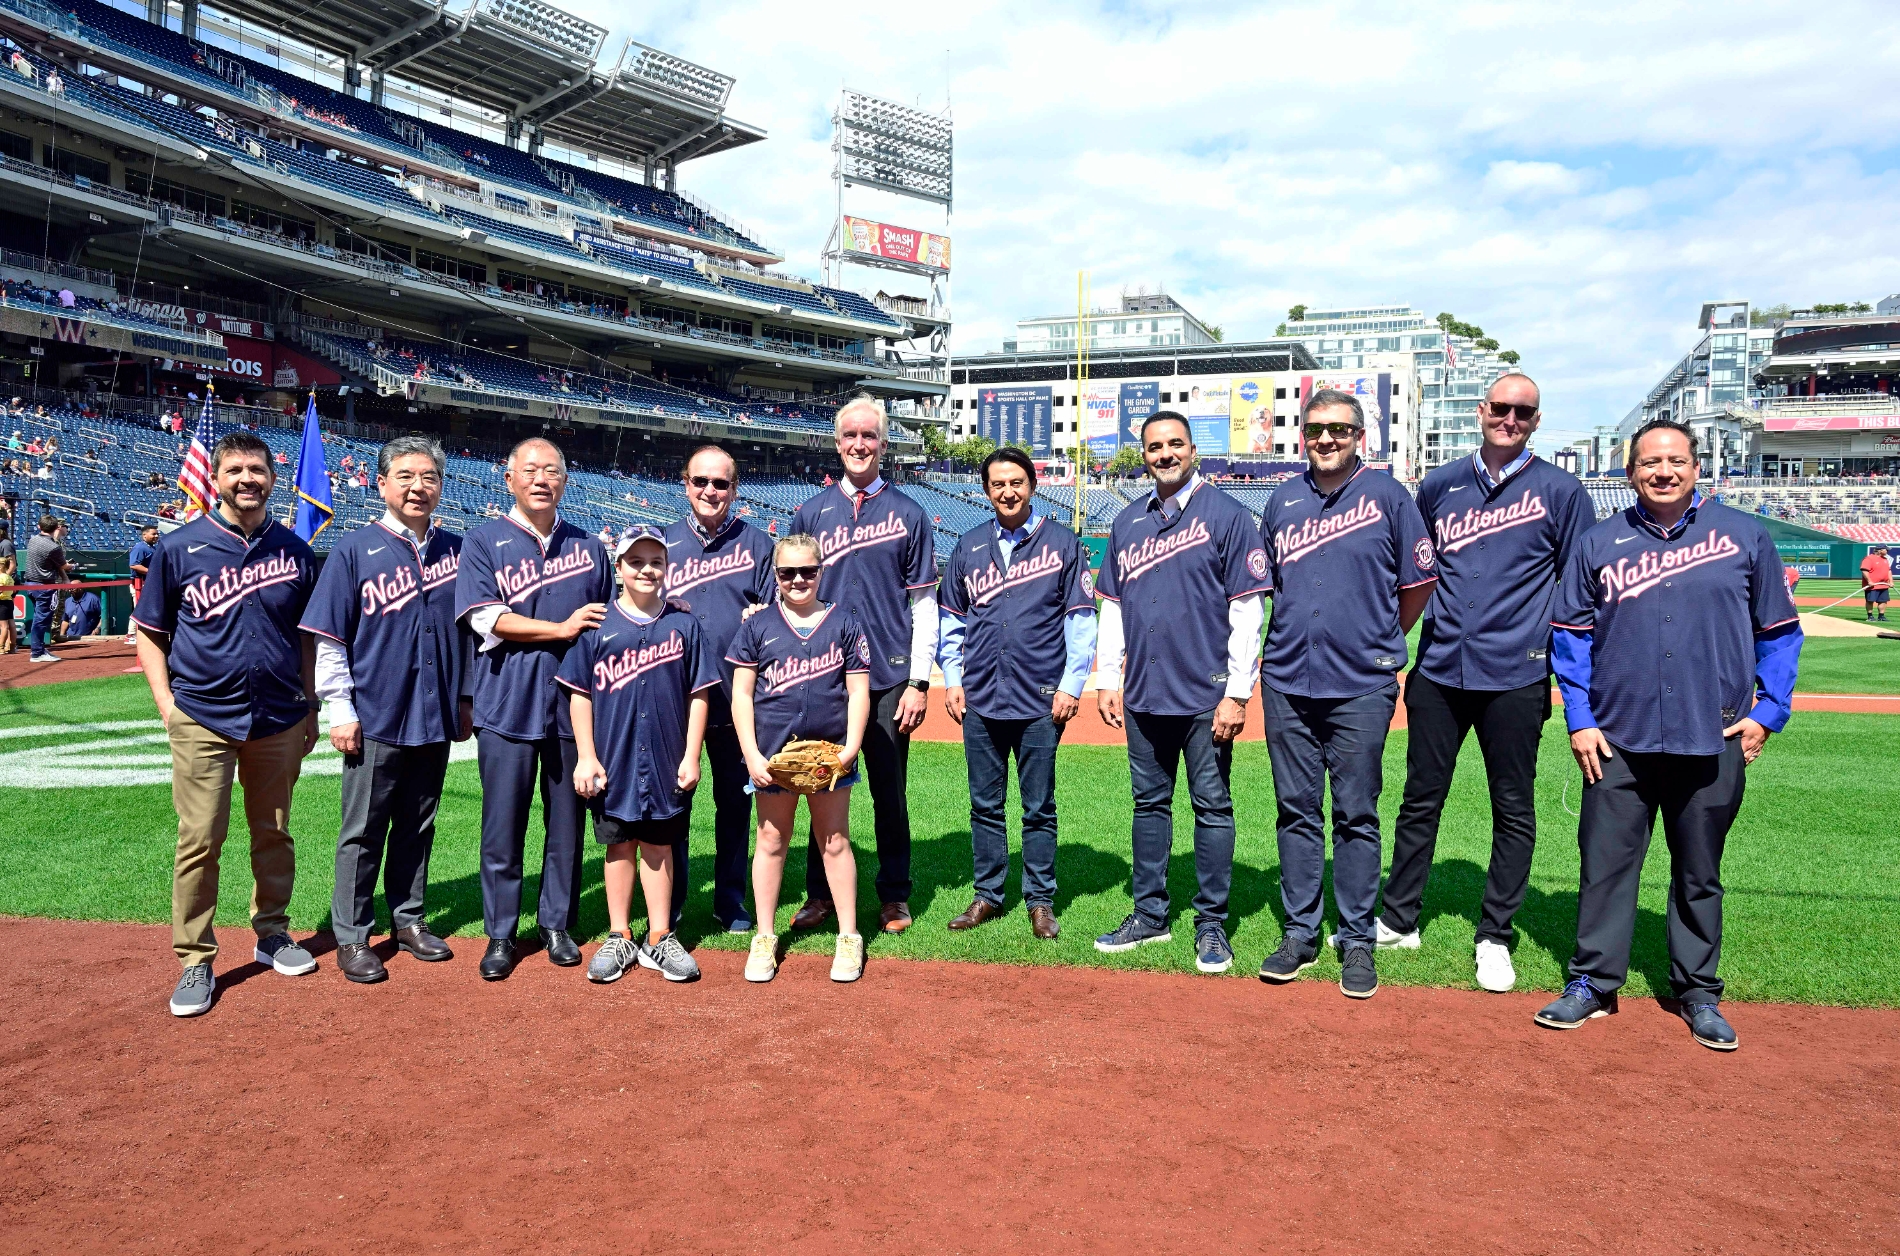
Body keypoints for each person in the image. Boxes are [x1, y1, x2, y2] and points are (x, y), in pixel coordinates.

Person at [1539, 419, 1802, 1051]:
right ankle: (1594, 984)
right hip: (1618, 740)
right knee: (1605, 869)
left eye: (1675, 460)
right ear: (1630, 472)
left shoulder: (1744, 536)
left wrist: (1768, 713)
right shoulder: (1599, 542)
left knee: (1699, 871)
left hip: (1711, 736)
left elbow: (1779, 633)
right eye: (1650, 462)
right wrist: (1580, 718)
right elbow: (1570, 638)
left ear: (1695, 466)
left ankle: (1698, 992)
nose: (1663, 471)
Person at [1376, 373, 1594, 992]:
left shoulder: (1562, 489)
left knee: (1513, 807)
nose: (1510, 419)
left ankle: (1495, 934)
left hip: (1517, 672)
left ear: (1536, 419)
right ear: (1481, 411)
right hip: (1441, 666)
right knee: (1420, 798)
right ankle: (1399, 918)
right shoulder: (1440, 484)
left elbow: (1577, 584)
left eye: (1523, 411)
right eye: (1500, 408)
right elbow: (1413, 569)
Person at [1251, 389, 1436, 998]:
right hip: (1287, 678)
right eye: (1315, 430)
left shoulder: (1389, 497)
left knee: (1356, 812)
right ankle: (1301, 932)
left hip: (1362, 681)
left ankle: (1356, 937)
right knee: (1296, 810)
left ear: (1361, 436)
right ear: (1302, 435)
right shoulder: (1281, 499)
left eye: (1339, 429)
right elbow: (1265, 588)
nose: (1326, 439)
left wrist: (1378, 637)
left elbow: (1416, 585)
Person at [131, 431, 320, 1018]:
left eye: (257, 469)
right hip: (203, 716)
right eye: (235, 469)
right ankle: (195, 959)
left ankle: (271, 934)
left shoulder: (295, 550)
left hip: (278, 717)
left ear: (271, 477)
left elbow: (309, 639)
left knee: (274, 832)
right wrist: (167, 705)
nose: (246, 478)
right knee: (200, 840)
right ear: (215, 478)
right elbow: (149, 633)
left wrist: (311, 704)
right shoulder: (180, 546)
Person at [1093, 412, 1268, 974]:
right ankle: (1149, 914)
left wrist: (1237, 692)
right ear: (1142, 454)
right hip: (1145, 692)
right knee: (1149, 804)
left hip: (1205, 693)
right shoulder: (1127, 522)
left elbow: (1247, 612)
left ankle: (1211, 925)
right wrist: (1107, 679)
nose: (1164, 454)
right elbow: (1113, 608)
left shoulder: (1227, 515)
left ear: (1193, 450)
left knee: (1212, 807)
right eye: (1153, 447)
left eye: (1174, 445)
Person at [300, 436, 469, 985]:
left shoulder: (458, 549)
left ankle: (408, 919)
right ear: (382, 484)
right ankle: (351, 936)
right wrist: (339, 709)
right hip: (374, 713)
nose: (418, 487)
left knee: (419, 825)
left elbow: (469, 636)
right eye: (405, 476)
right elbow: (330, 639)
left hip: (434, 714)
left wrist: (463, 701)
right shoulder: (354, 549)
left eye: (428, 477)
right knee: (363, 830)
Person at [455, 437, 612, 981]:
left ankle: (556, 924)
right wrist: (560, 628)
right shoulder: (482, 541)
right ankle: (500, 932)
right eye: (530, 470)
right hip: (507, 702)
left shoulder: (589, 547)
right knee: (503, 824)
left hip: (574, 710)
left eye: (552, 470)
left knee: (565, 825)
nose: (541, 479)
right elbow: (486, 619)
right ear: (509, 478)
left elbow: (610, 626)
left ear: (565, 481)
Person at [785, 397, 935, 935]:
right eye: (849, 434)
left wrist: (919, 681)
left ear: (884, 444)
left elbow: (923, 605)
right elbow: (790, 598)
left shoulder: (909, 514)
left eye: (869, 435)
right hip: (824, 676)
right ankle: (820, 893)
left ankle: (894, 894)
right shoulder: (811, 512)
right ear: (836, 441)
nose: (859, 444)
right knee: (819, 784)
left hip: (889, 677)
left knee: (888, 793)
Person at [937, 447, 1096, 939]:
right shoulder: (968, 546)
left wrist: (1072, 685)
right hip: (982, 696)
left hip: (1039, 697)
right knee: (984, 805)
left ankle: (1040, 900)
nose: (1008, 492)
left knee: (1038, 806)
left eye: (1017, 482)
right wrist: (953, 678)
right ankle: (987, 895)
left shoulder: (1063, 544)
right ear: (986, 491)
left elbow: (1081, 621)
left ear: (1032, 485)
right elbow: (951, 621)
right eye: (998, 484)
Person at [562, 526, 718, 985]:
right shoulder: (598, 624)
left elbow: (700, 694)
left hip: (668, 757)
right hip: (615, 756)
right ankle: (618, 934)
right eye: (636, 562)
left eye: (656, 562)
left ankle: (659, 935)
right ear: (619, 568)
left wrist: (692, 755)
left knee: (660, 845)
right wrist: (586, 757)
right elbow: (579, 695)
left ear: (667, 569)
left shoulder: (684, 624)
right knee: (618, 844)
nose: (647, 570)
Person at [726, 533, 872, 983]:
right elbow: (741, 695)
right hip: (773, 756)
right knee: (770, 840)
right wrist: (751, 753)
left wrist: (849, 750)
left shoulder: (844, 621)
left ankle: (849, 936)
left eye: (808, 570)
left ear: (821, 571)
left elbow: (858, 691)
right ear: (775, 575)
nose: (798, 580)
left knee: (834, 841)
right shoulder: (757, 625)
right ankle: (765, 936)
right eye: (787, 572)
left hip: (830, 756)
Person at [663, 446, 776, 933]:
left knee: (734, 806)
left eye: (721, 484)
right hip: (675, 700)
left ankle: (730, 900)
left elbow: (783, 617)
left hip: (737, 700)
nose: (710, 491)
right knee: (674, 805)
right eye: (700, 481)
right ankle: (671, 900)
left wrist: (763, 617)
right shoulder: (660, 544)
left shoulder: (757, 544)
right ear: (685, 484)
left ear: (735, 489)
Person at [23, 513, 68, 663]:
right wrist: (73, 566)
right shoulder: (53, 547)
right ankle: (36, 652)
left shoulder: (33, 539)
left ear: (39, 527)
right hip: (45, 586)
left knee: (39, 617)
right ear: (56, 528)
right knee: (42, 620)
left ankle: (40, 649)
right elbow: (64, 566)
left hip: (30, 583)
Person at [127, 523, 159, 644]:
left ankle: (145, 633)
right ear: (144, 535)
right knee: (139, 608)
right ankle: (131, 634)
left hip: (148, 582)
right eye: (153, 534)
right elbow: (134, 565)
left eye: (157, 534)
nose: (156, 536)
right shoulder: (140, 547)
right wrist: (153, 572)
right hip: (139, 582)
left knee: (146, 608)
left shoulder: (153, 547)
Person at [1860, 544, 1890, 621]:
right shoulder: (1869, 559)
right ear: (1880, 550)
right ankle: (1870, 616)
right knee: (1870, 601)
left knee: (1883, 600)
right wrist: (1869, 581)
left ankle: (1881, 616)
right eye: (1885, 549)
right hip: (1872, 585)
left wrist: (1891, 581)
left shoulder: (1885, 559)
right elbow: (1864, 570)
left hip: (1883, 585)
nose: (1887, 551)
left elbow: (1889, 571)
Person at [0, 554, 15, 655]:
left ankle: (0, 647)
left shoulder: (1, 577)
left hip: (2, 603)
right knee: (12, 625)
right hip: (9, 602)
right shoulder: (9, 578)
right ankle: (13, 647)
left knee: (4, 626)